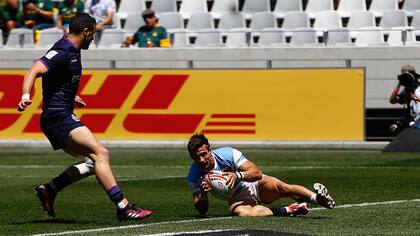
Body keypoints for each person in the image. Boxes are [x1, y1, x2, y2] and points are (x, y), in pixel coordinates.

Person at [17, 13, 152, 222]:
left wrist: (71, 96)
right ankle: (123, 207)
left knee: (92, 162)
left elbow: (57, 78)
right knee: (101, 154)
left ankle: (50, 189)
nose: (93, 39)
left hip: (59, 115)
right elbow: (32, 71)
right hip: (58, 117)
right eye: (93, 34)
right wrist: (26, 96)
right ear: (86, 31)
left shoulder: (73, 49)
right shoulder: (63, 50)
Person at [186, 134, 336, 217]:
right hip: (238, 198)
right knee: (243, 214)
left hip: (254, 184)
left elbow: (256, 173)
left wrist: (237, 175)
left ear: (210, 149)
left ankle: (318, 198)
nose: (201, 160)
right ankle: (288, 210)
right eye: (196, 158)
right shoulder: (194, 176)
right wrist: (203, 195)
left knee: (282, 187)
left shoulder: (227, 153)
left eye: (203, 154)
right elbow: (202, 210)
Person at [389, 65, 420, 133]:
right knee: (394, 128)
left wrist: (415, 98)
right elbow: (392, 100)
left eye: (407, 76)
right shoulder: (406, 91)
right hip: (412, 120)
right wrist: (399, 84)